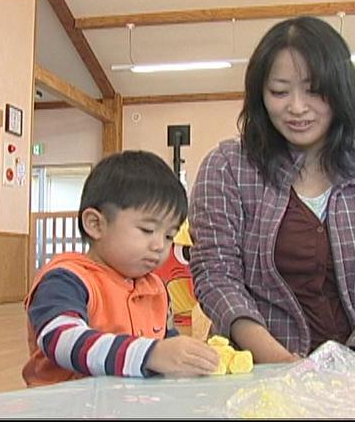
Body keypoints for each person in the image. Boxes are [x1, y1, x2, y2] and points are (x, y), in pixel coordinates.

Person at [188, 16, 355, 363]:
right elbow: (216, 275)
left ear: (341, 90)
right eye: (279, 92)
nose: (297, 108)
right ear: (260, 95)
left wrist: (353, 361)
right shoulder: (227, 167)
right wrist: (281, 361)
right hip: (257, 369)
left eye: (314, 90)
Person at [22, 150, 219, 387]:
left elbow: (165, 340)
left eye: (169, 236)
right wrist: (152, 354)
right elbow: (62, 340)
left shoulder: (155, 287)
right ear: (95, 224)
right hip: (64, 407)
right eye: (147, 230)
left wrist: (187, 360)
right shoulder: (66, 279)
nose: (159, 246)